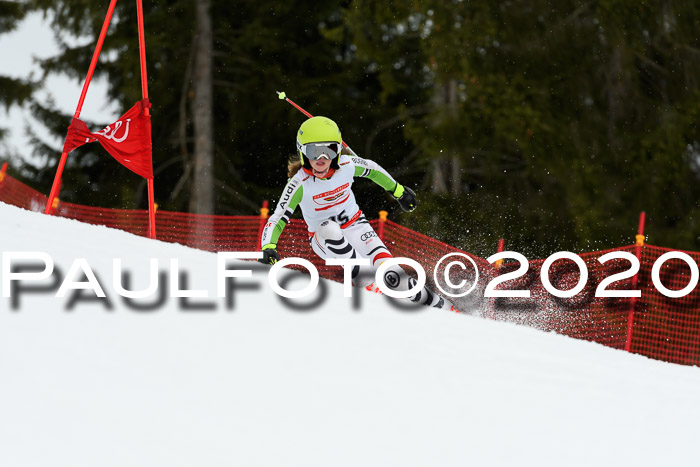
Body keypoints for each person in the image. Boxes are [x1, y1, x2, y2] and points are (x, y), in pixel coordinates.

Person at [259, 116, 453, 311]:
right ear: (302, 152)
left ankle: (446, 308)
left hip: (356, 226)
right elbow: (278, 218)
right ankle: (366, 282)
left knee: (394, 276)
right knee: (330, 229)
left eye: (329, 150)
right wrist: (269, 247)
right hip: (323, 239)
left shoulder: (347, 165)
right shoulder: (299, 184)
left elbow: (373, 169)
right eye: (313, 152)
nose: (321, 159)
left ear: (337, 150)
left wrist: (399, 192)